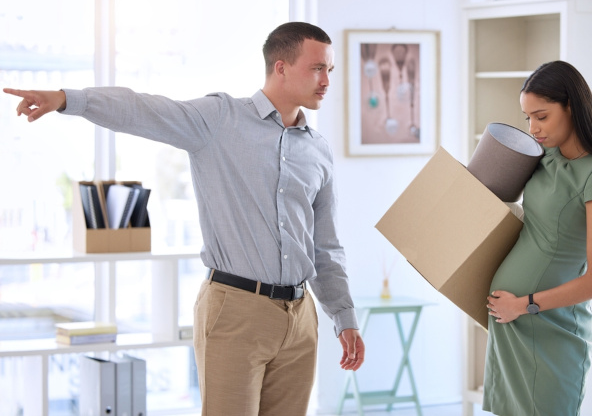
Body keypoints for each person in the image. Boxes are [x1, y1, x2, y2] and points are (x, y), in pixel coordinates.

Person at [4, 21, 365, 416]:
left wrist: (343, 316)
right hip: (237, 311)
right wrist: (66, 98)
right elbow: (143, 108)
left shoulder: (318, 150)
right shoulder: (220, 119)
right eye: (317, 68)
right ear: (280, 67)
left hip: (301, 320)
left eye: (329, 70)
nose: (326, 80)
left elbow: (325, 246)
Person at [482, 60, 592, 416]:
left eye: (542, 116)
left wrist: (523, 304)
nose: (533, 128)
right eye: (527, 118)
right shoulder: (541, 157)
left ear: (571, 107)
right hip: (512, 327)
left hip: (550, 327)